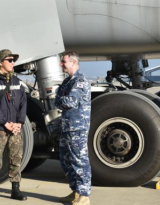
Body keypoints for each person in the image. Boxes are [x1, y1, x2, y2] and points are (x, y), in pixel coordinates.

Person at [0, 49, 27, 202]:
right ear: (1, 62)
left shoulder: (17, 81)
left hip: (15, 128)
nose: (13, 62)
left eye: (14, 59)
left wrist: (19, 123)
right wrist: (5, 123)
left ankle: (15, 190)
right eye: (10, 60)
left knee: (16, 159)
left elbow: (23, 103)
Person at [55, 51, 92, 205]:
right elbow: (57, 101)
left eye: (64, 62)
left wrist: (59, 99)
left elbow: (69, 101)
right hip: (67, 127)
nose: (61, 64)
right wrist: (59, 99)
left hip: (77, 128)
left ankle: (84, 195)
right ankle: (75, 191)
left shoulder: (80, 80)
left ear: (73, 62)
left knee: (79, 161)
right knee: (66, 160)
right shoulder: (67, 82)